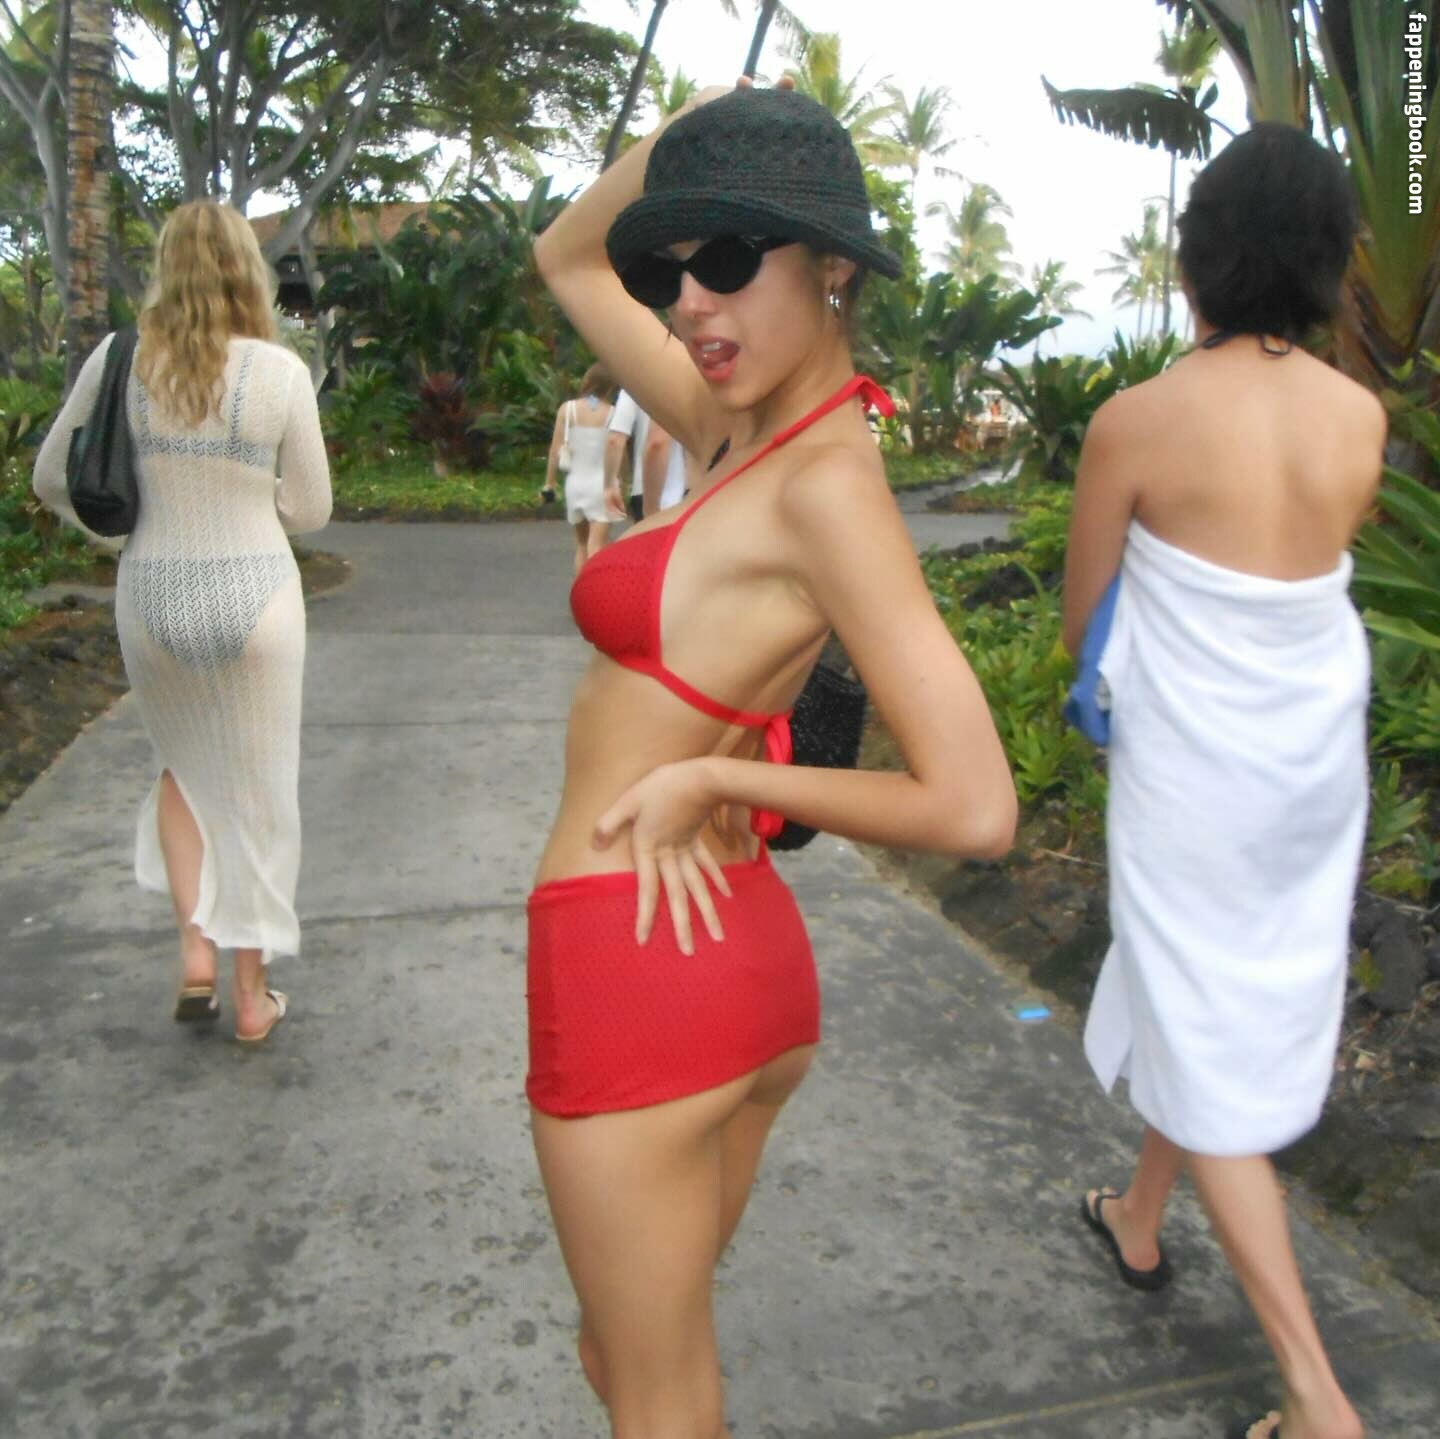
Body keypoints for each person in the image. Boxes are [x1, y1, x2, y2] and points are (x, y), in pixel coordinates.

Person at [530, 80, 1017, 1437]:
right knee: (637, 1358)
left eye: (732, 258)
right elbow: (568, 256)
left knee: (653, 1392)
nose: (690, 301)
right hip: (727, 960)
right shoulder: (737, 429)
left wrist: (719, 776)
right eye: (673, 271)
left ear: (834, 266)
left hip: (634, 961)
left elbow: (975, 803)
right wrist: (699, 120)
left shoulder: (824, 484)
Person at [1063, 124, 1382, 1439]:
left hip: (1196, 771)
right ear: (1324, 262)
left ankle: (1315, 1394)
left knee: (1198, 1015)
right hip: (1312, 763)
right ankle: (1139, 1215)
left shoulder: (1138, 420)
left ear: (1199, 253)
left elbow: (1088, 626)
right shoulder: (1359, 416)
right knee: (1201, 990)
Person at [33, 200, 332, 1044]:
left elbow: (52, 477)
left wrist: (124, 535)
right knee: (257, 787)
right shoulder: (278, 372)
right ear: (247, 271)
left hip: (152, 593)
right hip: (258, 593)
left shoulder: (119, 359)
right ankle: (251, 995)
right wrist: (251, 500)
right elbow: (311, 509)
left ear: (167, 267)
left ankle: (195, 955)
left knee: (183, 769)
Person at [543, 363, 617, 574]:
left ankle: (580, 588)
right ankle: (596, 588)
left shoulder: (567, 410)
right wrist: (621, 480)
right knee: (598, 544)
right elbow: (616, 450)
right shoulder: (613, 413)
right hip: (601, 485)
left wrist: (549, 483)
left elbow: (555, 450)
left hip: (575, 484)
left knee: (582, 544)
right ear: (609, 387)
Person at [605, 388, 687, 520]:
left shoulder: (633, 387)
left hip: (652, 493)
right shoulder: (695, 383)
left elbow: (615, 440)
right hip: (696, 490)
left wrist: (609, 484)